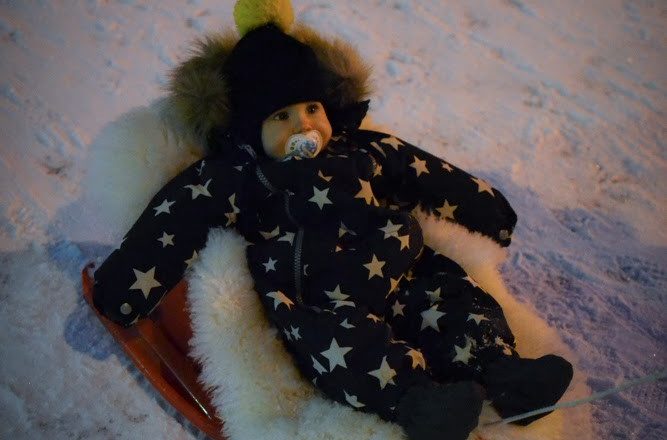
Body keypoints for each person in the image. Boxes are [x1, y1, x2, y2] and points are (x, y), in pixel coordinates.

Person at [92, 10, 573, 440]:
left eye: (312, 109)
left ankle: (501, 369)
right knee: (343, 350)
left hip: (402, 268)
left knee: (455, 298)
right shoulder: (236, 176)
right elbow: (177, 216)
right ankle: (417, 401)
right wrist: (121, 289)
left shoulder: (359, 149)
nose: (305, 126)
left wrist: (487, 209)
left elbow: (422, 172)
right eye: (282, 116)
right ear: (249, 128)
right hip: (317, 297)